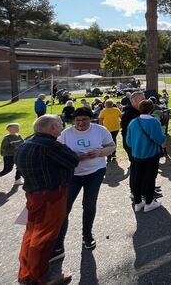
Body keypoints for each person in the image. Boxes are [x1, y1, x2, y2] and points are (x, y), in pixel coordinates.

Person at [15, 115, 79, 285]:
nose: (61, 128)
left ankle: (26, 273)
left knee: (31, 234)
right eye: (59, 125)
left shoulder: (25, 143)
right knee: (44, 237)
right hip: (52, 195)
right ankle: (40, 277)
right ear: (52, 127)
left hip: (33, 194)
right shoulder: (50, 145)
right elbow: (73, 160)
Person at [51, 107, 115, 259]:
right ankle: (58, 245)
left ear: (90, 119)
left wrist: (100, 153)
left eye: (84, 120)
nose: (80, 123)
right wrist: (74, 157)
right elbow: (57, 153)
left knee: (89, 205)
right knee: (64, 208)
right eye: (77, 120)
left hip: (95, 172)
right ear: (73, 120)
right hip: (72, 175)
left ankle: (87, 235)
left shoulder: (100, 130)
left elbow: (111, 147)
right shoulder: (66, 134)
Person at [126, 99, 167, 212]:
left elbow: (128, 141)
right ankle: (149, 202)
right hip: (151, 155)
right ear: (152, 109)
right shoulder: (154, 122)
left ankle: (138, 202)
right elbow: (160, 139)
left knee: (137, 178)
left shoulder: (133, 122)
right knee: (150, 178)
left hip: (136, 154)